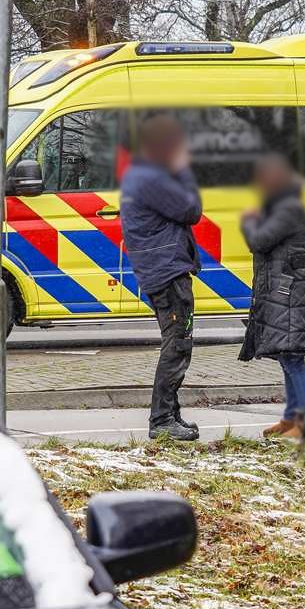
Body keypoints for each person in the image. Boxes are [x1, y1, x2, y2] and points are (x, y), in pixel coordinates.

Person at [120, 114, 202, 441]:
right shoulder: (152, 178)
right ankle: (162, 419)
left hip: (160, 268)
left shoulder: (141, 174)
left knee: (177, 341)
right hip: (167, 270)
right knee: (178, 343)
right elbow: (191, 209)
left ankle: (171, 414)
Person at [238, 153, 305, 438]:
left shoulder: (288, 209)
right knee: (286, 356)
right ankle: (291, 418)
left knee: (292, 357)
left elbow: (258, 241)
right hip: (282, 293)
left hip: (289, 295)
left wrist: (248, 222)